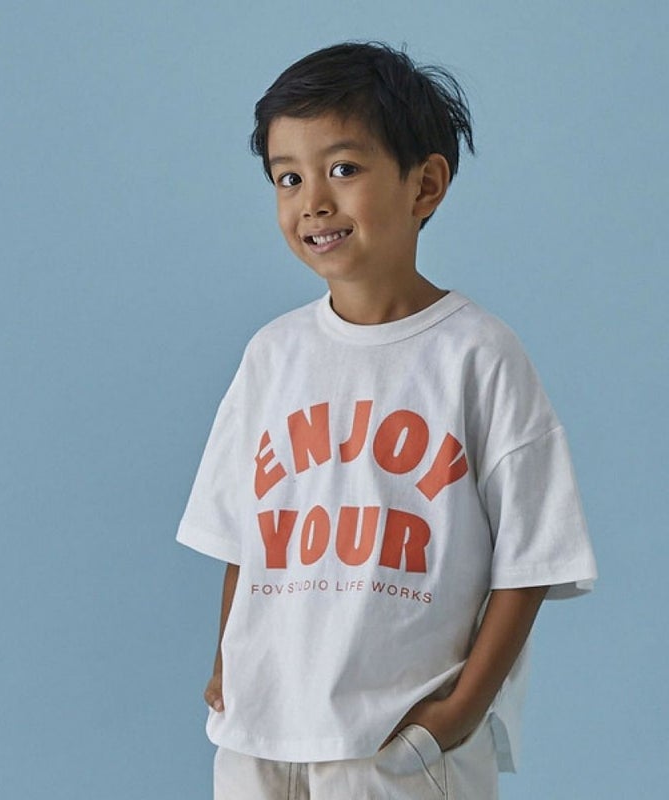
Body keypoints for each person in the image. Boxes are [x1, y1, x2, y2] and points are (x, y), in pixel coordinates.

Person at [177, 41, 597, 800]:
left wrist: (459, 712)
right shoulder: (273, 355)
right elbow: (244, 533)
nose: (313, 201)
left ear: (424, 185)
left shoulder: (477, 356)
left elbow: (532, 560)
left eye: (343, 169)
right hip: (260, 730)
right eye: (288, 178)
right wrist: (227, 661)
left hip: (395, 736)